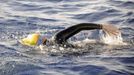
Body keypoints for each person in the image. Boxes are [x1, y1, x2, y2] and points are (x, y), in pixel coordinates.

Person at [20, 23, 120, 49]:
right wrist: (102, 26)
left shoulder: (51, 53)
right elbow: (79, 27)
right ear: (43, 38)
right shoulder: (57, 39)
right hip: (96, 48)